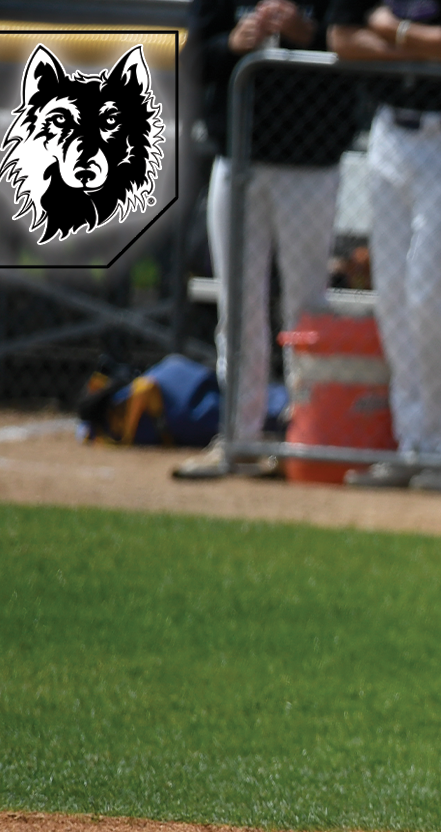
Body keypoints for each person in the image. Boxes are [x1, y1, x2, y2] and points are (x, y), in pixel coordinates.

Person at [178, 0, 358, 480]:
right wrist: (233, 44)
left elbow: (353, 49)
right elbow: (192, 58)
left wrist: (308, 33)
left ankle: (306, 434)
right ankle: (239, 435)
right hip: (238, 156)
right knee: (239, 306)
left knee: (305, 308)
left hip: (310, 163)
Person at [329, 0, 441, 495]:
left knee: (429, 299)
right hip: (390, 138)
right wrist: (420, 45)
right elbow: (342, 37)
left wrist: (393, 31)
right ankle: (414, 443)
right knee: (393, 300)